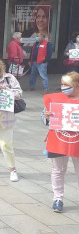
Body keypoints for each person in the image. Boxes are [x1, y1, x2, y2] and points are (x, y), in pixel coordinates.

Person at [41, 72, 79, 213]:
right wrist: (46, 116)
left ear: (76, 86)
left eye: (67, 85)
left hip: (76, 142)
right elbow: (44, 117)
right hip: (59, 140)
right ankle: (58, 199)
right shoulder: (55, 99)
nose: (63, 87)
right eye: (62, 84)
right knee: (57, 170)